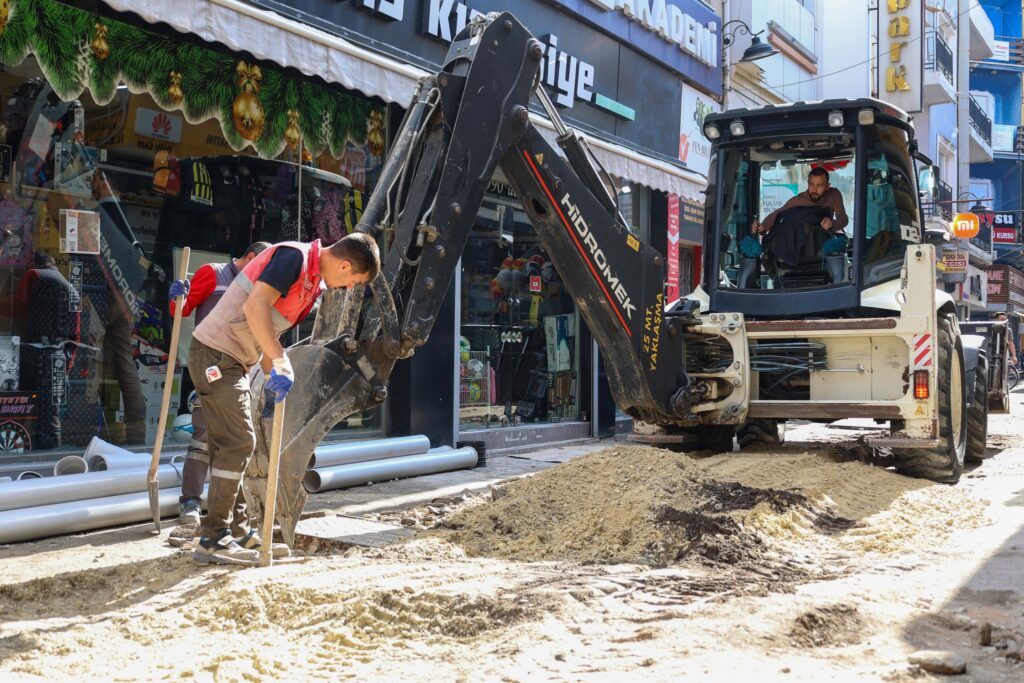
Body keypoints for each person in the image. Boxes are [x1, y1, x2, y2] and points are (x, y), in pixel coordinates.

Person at [181, 232, 380, 565]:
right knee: (239, 442)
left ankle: (239, 531)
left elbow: (265, 332)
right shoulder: (294, 259)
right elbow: (254, 305)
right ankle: (213, 538)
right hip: (216, 356)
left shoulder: (312, 282)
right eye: (353, 281)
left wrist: (273, 372)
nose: (348, 289)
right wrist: (281, 362)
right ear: (345, 265)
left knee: (231, 445)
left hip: (233, 361)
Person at [167, 242, 270, 528]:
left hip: (243, 370)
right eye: (261, 265)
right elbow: (182, 311)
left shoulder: (257, 286)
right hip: (211, 367)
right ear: (250, 257)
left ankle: (230, 513)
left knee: (237, 442)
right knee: (203, 437)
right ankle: (191, 502)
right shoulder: (213, 274)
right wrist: (176, 299)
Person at [91, 169, 147, 444]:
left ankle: (90, 425)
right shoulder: (127, 217)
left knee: (91, 356)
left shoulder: (99, 214)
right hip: (127, 297)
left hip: (101, 295)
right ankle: (137, 428)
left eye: (94, 180)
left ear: (103, 183)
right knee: (125, 361)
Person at [751, 167, 849, 236]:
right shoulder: (798, 200)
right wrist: (762, 227)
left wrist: (832, 224)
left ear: (828, 186)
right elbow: (776, 214)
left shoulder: (834, 194)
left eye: (819, 185)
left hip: (825, 242)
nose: (814, 190)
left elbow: (844, 219)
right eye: (811, 184)